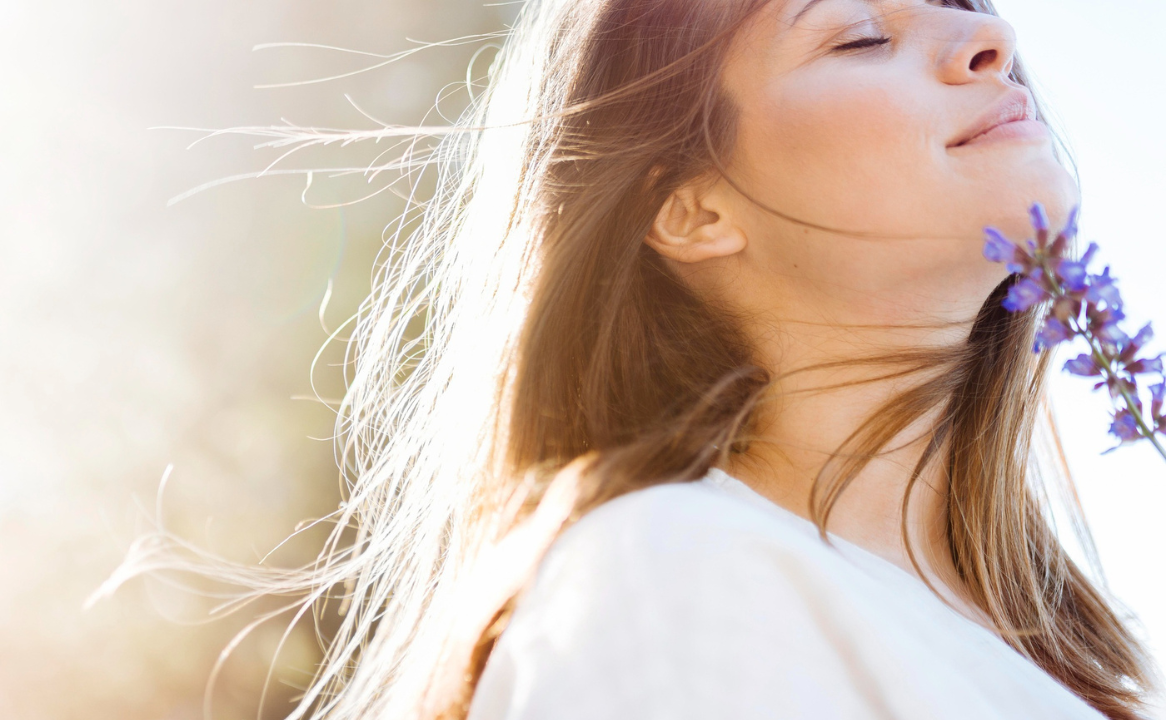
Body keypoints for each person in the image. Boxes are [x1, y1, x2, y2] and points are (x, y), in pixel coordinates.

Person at [95, 0, 1162, 718]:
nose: (986, 45)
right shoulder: (671, 570)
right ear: (691, 209)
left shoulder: (1038, 659)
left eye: (960, 3)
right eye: (853, 37)